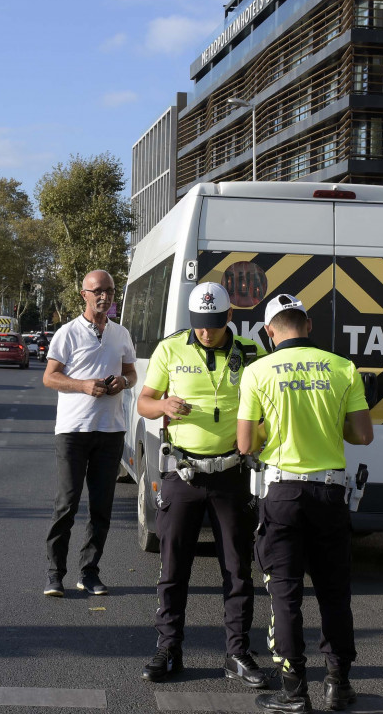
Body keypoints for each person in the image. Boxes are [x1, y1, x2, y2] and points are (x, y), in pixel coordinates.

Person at [237, 294, 374, 714]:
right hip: (330, 493)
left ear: (269, 331)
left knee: (285, 592)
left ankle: (294, 691)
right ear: (309, 325)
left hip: (282, 494)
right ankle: (339, 685)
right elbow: (363, 435)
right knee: (334, 592)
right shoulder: (342, 368)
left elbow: (245, 443)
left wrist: (266, 433)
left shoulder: (257, 371)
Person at [136, 282, 268, 687]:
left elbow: (268, 404)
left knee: (237, 570)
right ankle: (168, 648)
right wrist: (162, 405)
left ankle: (238, 652)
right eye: (199, 325)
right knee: (174, 568)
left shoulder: (250, 352)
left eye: (213, 324)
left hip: (232, 475)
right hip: (183, 474)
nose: (205, 332)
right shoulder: (171, 348)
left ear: (230, 317)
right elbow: (143, 401)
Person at [41, 269, 138, 598]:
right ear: (83, 294)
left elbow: (131, 373)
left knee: (101, 507)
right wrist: (83, 385)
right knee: (66, 504)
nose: (105, 297)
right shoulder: (67, 333)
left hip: (110, 431)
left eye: (109, 291)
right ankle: (55, 574)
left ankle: (89, 572)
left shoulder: (121, 333)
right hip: (73, 431)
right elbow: (50, 377)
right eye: (97, 291)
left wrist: (122, 383)